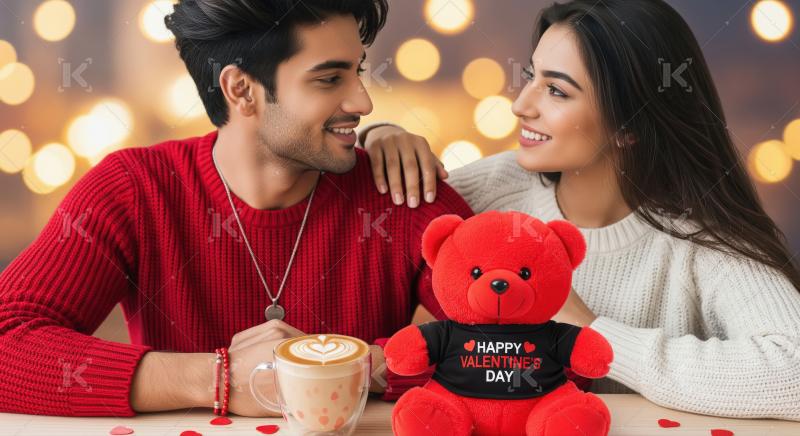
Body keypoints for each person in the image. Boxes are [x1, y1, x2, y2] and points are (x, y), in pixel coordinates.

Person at [0, 0, 472, 417]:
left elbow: (518, 348)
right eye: (330, 79)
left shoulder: (401, 189)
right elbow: (7, 343)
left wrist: (350, 367)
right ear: (241, 89)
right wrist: (217, 379)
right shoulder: (134, 190)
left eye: (358, 71)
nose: (362, 101)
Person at [362, 0, 800, 421]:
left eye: (556, 90)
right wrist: (379, 135)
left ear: (628, 126)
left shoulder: (698, 239)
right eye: (531, 77)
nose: (520, 105)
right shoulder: (495, 190)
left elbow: (793, 372)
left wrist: (593, 331)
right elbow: (363, 217)